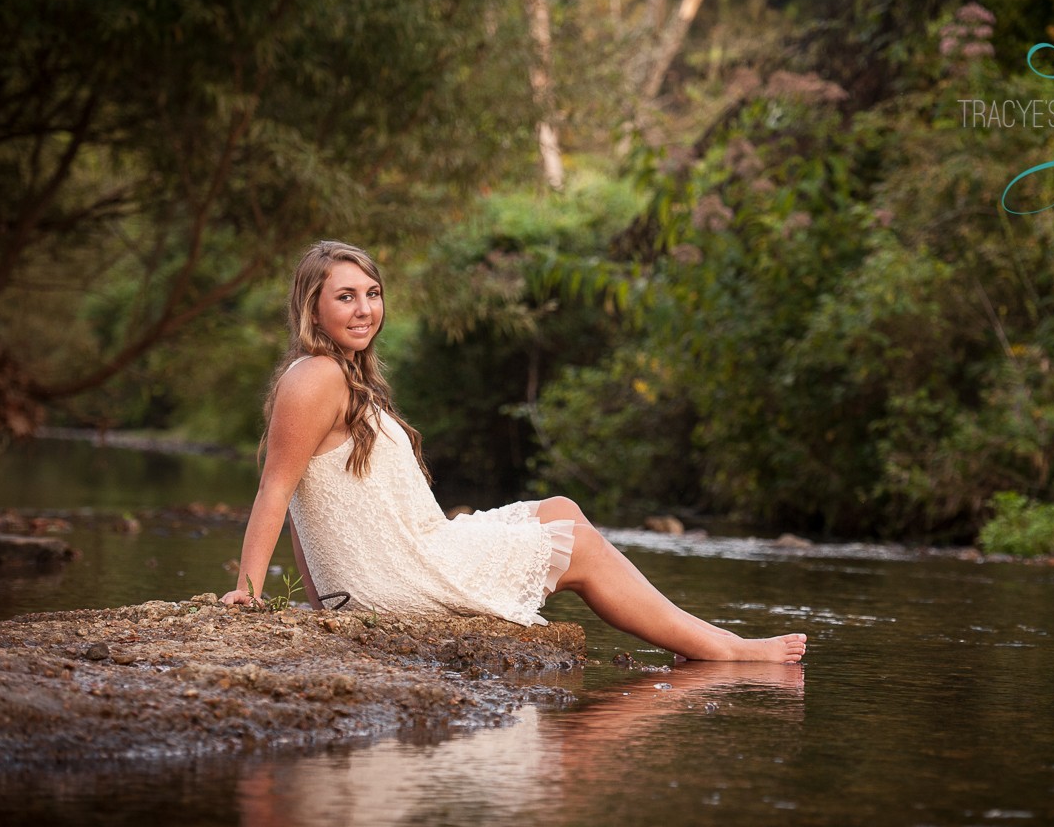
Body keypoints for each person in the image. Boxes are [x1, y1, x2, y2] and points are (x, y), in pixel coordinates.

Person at [220, 241, 806, 663]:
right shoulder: (317, 377)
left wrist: (325, 602)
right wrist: (250, 594)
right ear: (312, 307)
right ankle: (721, 648)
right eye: (345, 297)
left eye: (372, 294)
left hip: (404, 558)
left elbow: (308, 500)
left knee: (562, 509)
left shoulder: (338, 375)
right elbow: (280, 488)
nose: (365, 309)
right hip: (396, 578)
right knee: (578, 546)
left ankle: (705, 640)